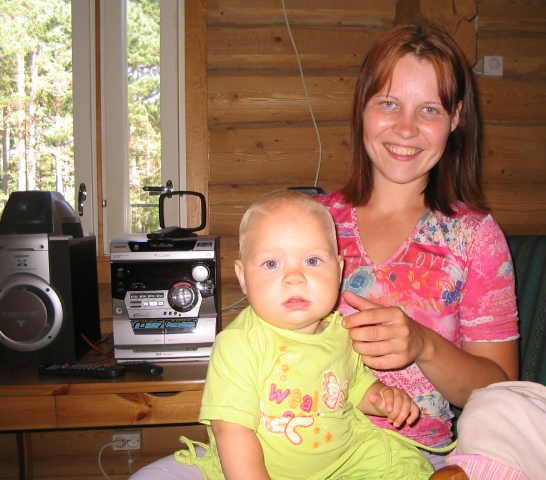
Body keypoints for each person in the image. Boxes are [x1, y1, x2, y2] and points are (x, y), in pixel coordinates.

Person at [133, 189, 449, 480]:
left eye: (312, 261)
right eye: (271, 263)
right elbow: (232, 433)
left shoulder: (340, 331)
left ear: (339, 271)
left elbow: (351, 386)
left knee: (405, 464)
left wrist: (382, 398)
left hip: (347, 460)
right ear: (243, 278)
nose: (295, 277)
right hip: (268, 470)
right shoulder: (240, 345)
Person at [314, 20, 519, 454]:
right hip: (299, 446)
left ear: (456, 118)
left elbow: (500, 390)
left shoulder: (475, 238)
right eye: (389, 103)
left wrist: (424, 345)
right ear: (363, 107)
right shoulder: (313, 222)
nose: (406, 128)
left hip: (415, 457)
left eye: (429, 110)